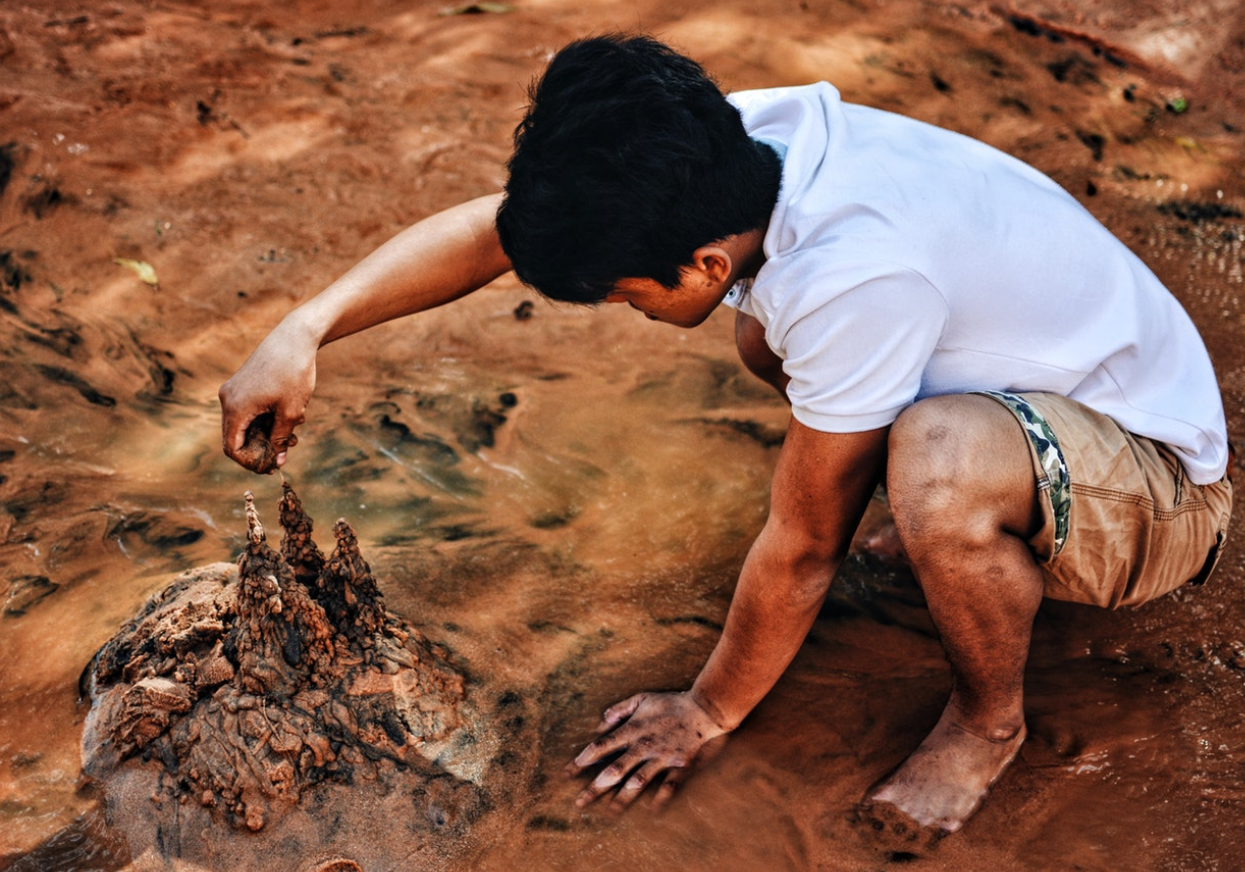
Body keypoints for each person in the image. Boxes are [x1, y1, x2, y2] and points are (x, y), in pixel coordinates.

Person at [219, 34, 1234, 834]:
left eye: (624, 292)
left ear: (702, 261)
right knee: (773, 344)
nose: (624, 306)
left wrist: (708, 709)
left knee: (934, 461)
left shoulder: (852, 277)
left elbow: (801, 547)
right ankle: (964, 527)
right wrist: (304, 328)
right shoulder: (730, 149)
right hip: (1052, 391)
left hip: (1162, 487)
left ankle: (988, 717)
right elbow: (502, 228)